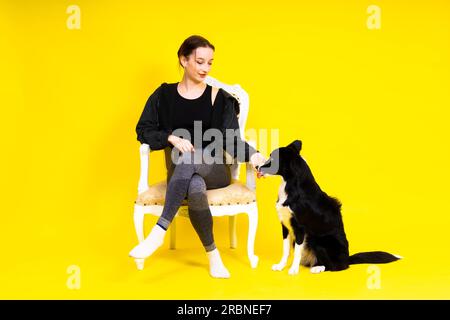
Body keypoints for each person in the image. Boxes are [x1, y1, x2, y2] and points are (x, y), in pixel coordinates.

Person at [129, 35, 266, 278]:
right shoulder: (163, 96)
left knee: (192, 160)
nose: (205, 68)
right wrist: (170, 138)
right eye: (200, 62)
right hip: (179, 170)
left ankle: (159, 231)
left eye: (210, 63)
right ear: (184, 60)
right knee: (194, 185)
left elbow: (231, 140)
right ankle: (213, 256)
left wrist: (254, 156)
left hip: (215, 170)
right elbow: (144, 129)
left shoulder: (220, 97)